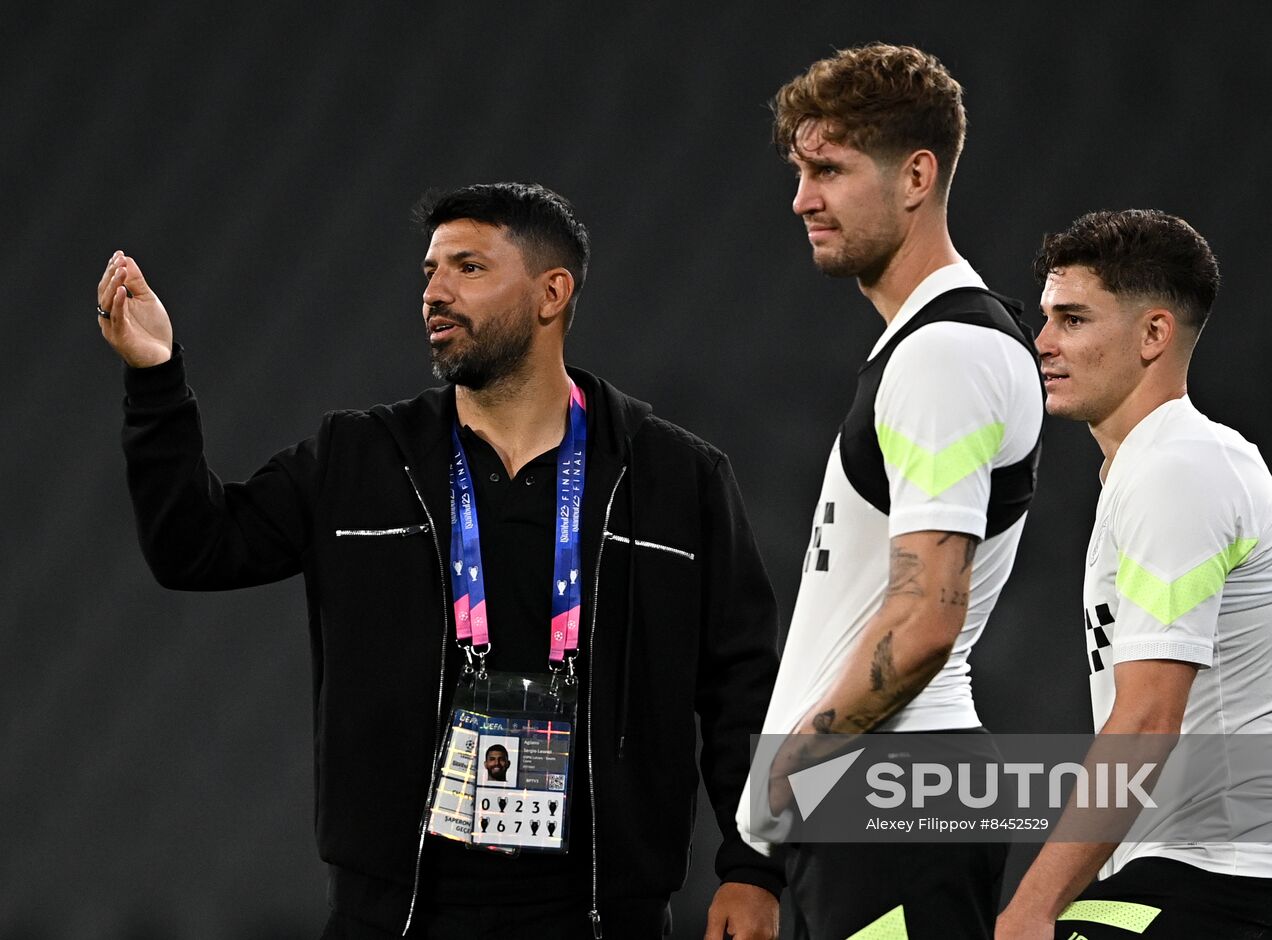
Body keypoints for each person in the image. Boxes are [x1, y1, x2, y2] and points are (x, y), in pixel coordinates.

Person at [97, 182, 783, 940]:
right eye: (429, 272)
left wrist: (756, 868)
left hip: (599, 916)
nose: (436, 293)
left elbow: (744, 685)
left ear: (552, 292)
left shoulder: (674, 476)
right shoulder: (357, 459)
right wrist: (156, 377)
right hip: (398, 917)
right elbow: (193, 548)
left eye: (468, 268)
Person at [737, 44, 1044, 939]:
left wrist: (780, 783)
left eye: (828, 169)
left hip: (892, 800)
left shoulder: (945, 354)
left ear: (917, 176)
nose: (802, 197)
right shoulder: (928, 346)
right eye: (799, 170)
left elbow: (922, 627)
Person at [996, 209, 1272, 939]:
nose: (1043, 343)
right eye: (1047, 317)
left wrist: (1031, 909)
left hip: (1224, 884)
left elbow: (1148, 720)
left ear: (1153, 335)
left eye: (1074, 319)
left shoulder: (1178, 470)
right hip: (1191, 878)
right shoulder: (1152, 466)